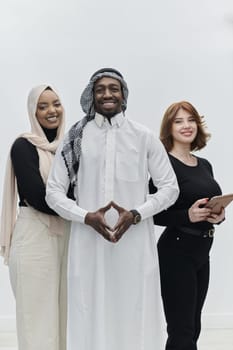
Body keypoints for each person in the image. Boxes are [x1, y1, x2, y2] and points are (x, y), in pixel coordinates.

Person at [45, 67, 179, 350]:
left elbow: (170, 187)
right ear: (92, 95)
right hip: (88, 244)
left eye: (113, 88)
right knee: (88, 311)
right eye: (100, 89)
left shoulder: (143, 137)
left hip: (134, 245)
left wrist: (136, 214)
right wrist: (86, 217)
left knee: (134, 310)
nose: (107, 94)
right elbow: (53, 192)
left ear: (123, 95)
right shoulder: (76, 137)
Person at [149, 101, 225, 350]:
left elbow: (206, 206)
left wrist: (218, 215)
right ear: (168, 128)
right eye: (178, 121)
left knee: (194, 325)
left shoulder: (204, 165)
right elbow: (148, 212)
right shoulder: (163, 164)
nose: (186, 126)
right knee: (182, 329)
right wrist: (186, 216)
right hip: (176, 251)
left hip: (202, 251)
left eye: (191, 120)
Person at [0, 85, 70, 350]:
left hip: (67, 236)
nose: (51, 111)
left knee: (65, 314)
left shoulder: (69, 148)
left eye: (56, 103)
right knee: (36, 320)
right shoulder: (24, 146)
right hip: (34, 238)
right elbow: (36, 195)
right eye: (42, 106)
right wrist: (82, 212)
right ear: (33, 111)